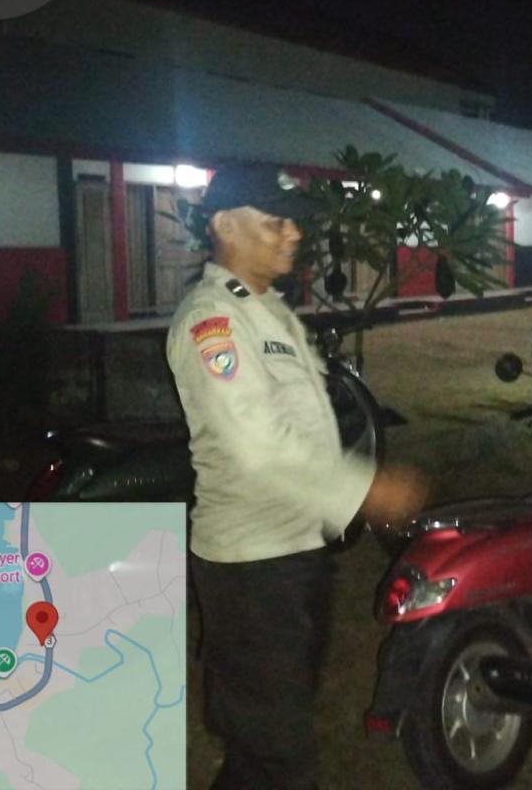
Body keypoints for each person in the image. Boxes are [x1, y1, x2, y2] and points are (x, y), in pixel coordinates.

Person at [167, 163, 424, 790]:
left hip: (295, 552)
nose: (293, 234)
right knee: (279, 751)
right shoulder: (212, 321)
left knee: (264, 743)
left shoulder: (269, 310)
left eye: (293, 222)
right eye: (274, 221)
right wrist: (365, 489)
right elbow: (257, 444)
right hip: (251, 567)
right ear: (225, 225)